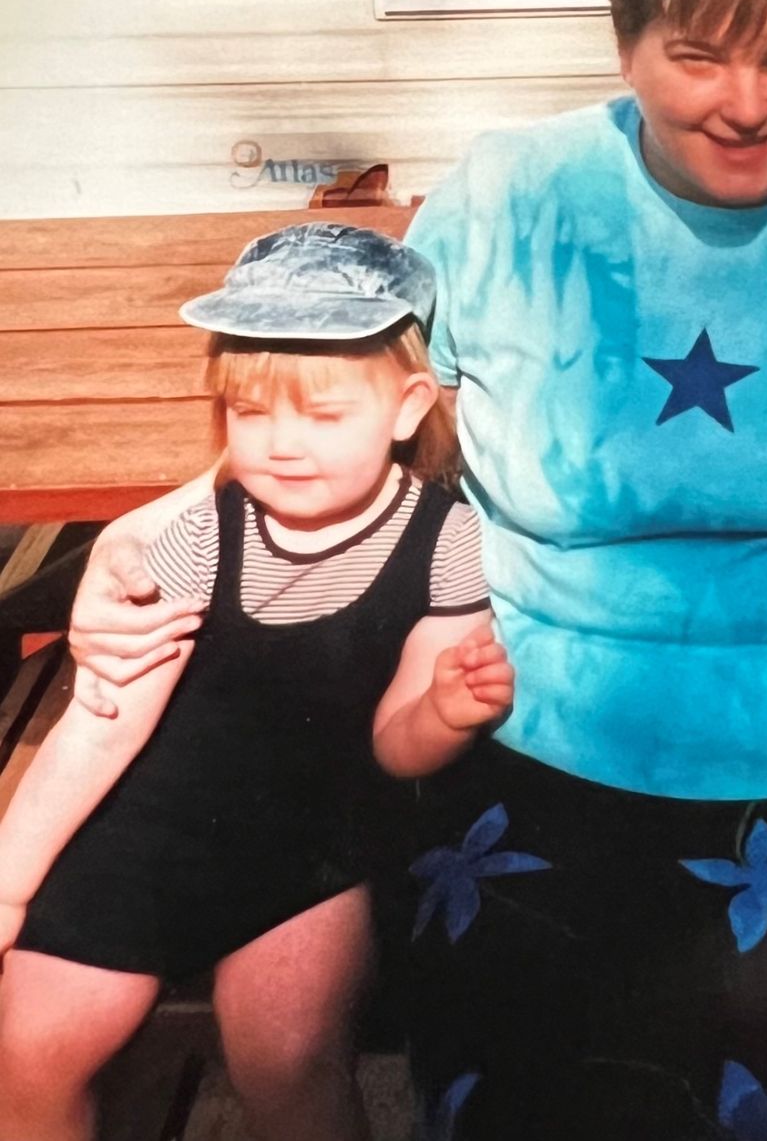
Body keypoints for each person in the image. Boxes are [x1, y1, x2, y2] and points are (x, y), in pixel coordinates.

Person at [68, 0, 767, 1141]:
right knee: (547, 1074)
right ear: (625, 48)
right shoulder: (510, 199)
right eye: (697, 58)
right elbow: (335, 408)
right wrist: (146, 534)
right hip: (539, 739)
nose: (745, 104)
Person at [0, 223, 513, 1141]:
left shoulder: (447, 541)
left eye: (323, 415)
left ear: (405, 407)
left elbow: (396, 742)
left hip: (312, 846)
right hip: (151, 828)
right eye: (252, 413)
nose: (281, 445)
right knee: (33, 1043)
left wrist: (445, 709)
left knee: (287, 1054)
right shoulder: (203, 532)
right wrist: (9, 879)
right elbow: (104, 720)